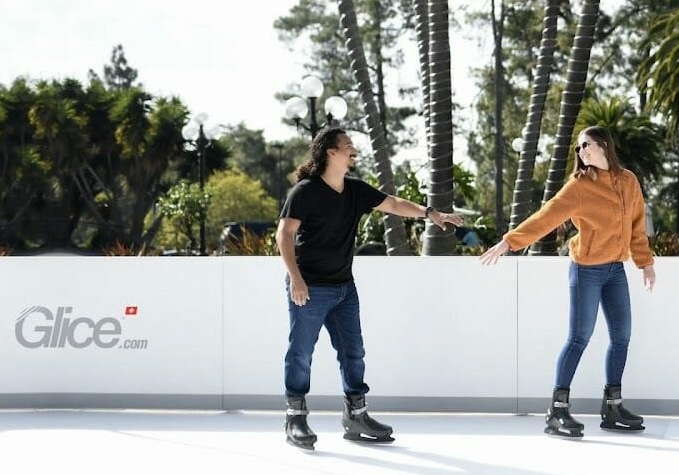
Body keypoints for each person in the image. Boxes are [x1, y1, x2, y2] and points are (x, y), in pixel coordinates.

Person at [277, 128, 463, 450]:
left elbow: (392, 203)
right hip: (309, 288)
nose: (354, 151)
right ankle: (295, 417)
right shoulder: (305, 192)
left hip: (344, 288)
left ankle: (356, 415)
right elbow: (284, 235)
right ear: (330, 153)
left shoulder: (355, 190)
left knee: (354, 353)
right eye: (348, 146)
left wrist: (430, 214)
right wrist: (296, 278)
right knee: (301, 354)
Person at [479, 126, 656, 438]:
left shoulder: (628, 181)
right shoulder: (579, 187)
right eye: (578, 148)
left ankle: (612, 406)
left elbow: (637, 226)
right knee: (579, 338)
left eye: (585, 145)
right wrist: (508, 242)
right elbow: (545, 217)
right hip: (586, 269)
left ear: (603, 145)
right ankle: (557, 411)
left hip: (616, 269)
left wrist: (645, 264)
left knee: (622, 337)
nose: (581, 151)